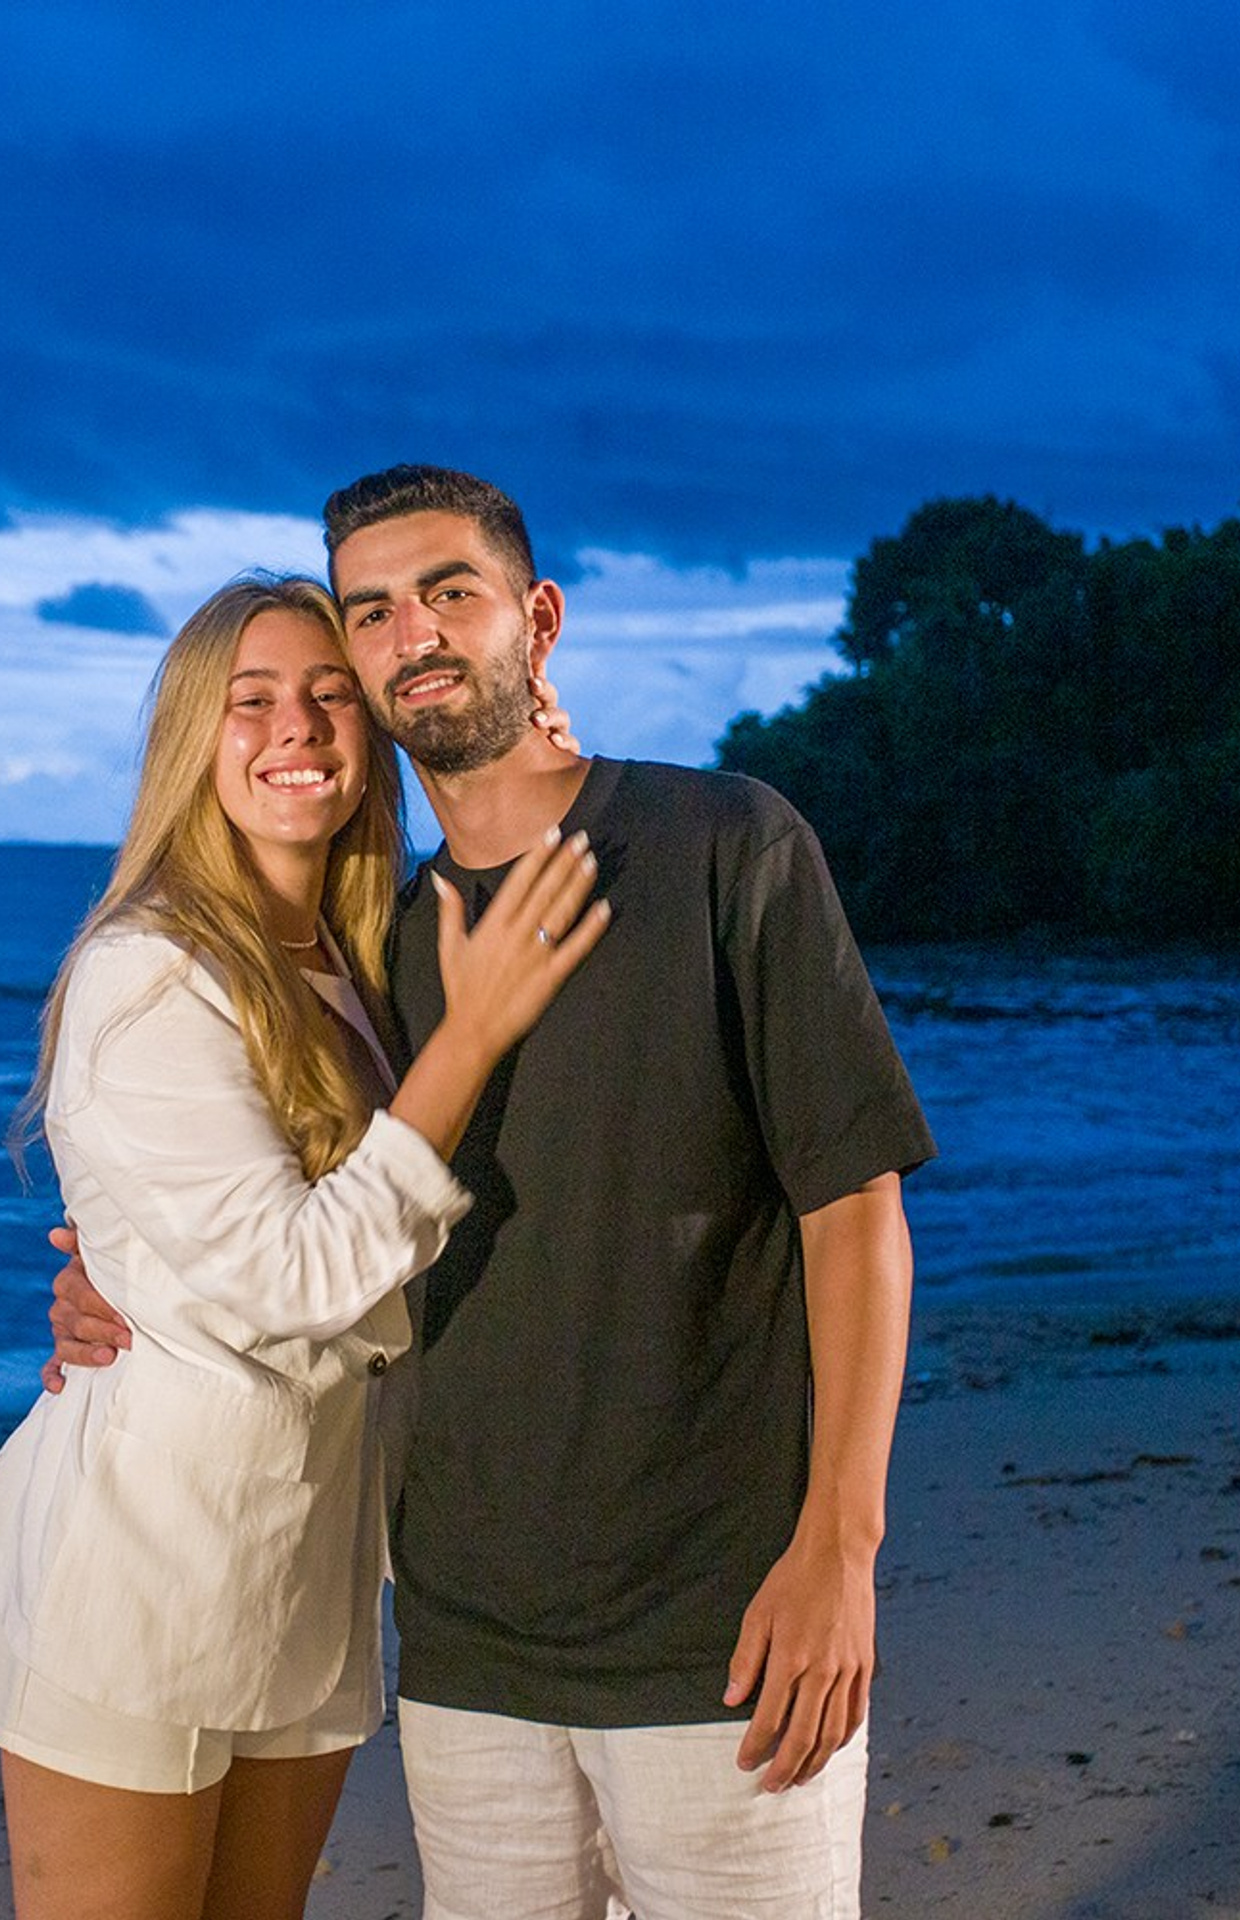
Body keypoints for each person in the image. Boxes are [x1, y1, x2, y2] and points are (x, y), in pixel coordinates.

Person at [47, 467, 938, 1919]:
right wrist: (116, 1284)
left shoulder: (725, 845)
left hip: (721, 1630)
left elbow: (856, 1216)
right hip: (461, 1652)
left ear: (538, 617)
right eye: (375, 610)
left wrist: (842, 1547)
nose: (416, 634)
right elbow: (292, 1237)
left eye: (451, 589)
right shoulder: (373, 955)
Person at [0, 571, 609, 1920]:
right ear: (196, 742)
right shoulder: (150, 972)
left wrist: (547, 744)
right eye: (250, 703)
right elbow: (291, 1277)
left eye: (325, 697)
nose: (295, 727)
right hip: (137, 1578)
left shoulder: (364, 967)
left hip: (301, 1580)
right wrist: (473, 1035)